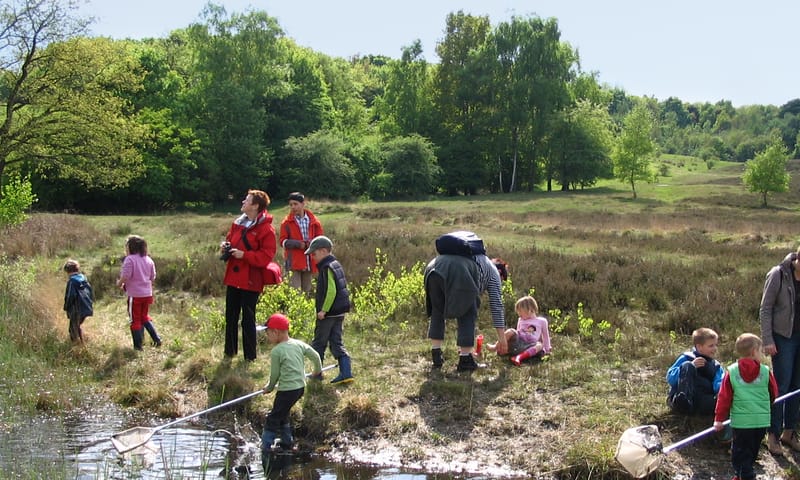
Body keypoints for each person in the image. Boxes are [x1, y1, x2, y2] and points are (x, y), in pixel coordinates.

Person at [424, 240, 508, 372]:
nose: (501, 282)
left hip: (433, 266)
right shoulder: (494, 273)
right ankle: (465, 360)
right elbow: (496, 306)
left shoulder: (476, 259)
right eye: (503, 279)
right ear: (500, 271)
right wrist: (502, 339)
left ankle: (436, 355)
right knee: (468, 311)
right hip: (458, 270)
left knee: (437, 310)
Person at [220, 189, 277, 361]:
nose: (243, 202)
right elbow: (230, 239)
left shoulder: (266, 229)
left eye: (247, 200)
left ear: (255, 206)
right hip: (233, 277)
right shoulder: (238, 223)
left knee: (248, 319)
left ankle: (250, 357)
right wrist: (225, 246)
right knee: (230, 316)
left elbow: (267, 256)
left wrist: (244, 255)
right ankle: (229, 352)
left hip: (251, 280)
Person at [260, 313, 322, 467]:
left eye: (268, 333)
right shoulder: (298, 344)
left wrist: (269, 387)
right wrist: (317, 371)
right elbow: (315, 356)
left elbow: (275, 375)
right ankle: (287, 442)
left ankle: (265, 447)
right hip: (300, 388)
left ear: (276, 332)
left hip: (286, 390)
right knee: (283, 413)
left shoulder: (277, 351)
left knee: (273, 417)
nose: (267, 337)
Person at [714, 333, 778, 480]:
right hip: (761, 421)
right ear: (754, 351)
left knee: (739, 451)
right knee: (752, 450)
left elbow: (724, 398)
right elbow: (774, 393)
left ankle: (746, 475)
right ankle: (743, 474)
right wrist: (765, 406)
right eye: (761, 351)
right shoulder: (765, 371)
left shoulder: (732, 372)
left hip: (741, 422)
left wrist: (719, 419)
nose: (762, 354)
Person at [759, 247, 800, 455]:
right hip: (783, 338)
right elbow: (765, 309)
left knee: (797, 385)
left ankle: (789, 432)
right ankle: (773, 434)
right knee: (781, 386)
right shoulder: (778, 274)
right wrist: (768, 339)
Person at [304, 235, 354, 384]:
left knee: (319, 343)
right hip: (339, 312)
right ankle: (346, 372)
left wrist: (323, 310)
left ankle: (317, 373)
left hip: (328, 314)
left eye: (314, 254)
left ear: (324, 251)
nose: (312, 257)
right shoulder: (335, 264)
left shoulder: (327, 267)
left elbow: (331, 291)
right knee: (336, 342)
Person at [117, 235, 162, 350]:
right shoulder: (148, 259)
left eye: (126, 246)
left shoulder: (129, 259)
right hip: (147, 294)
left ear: (131, 247)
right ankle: (157, 339)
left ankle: (138, 346)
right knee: (144, 317)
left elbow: (125, 276)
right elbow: (153, 277)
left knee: (135, 320)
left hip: (134, 295)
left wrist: (119, 283)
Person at [666, 327, 723, 416]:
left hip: (701, 399)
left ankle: (695, 409)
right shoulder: (686, 358)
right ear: (699, 347)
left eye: (716, 345)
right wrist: (692, 366)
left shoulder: (716, 366)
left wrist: (721, 391)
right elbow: (671, 379)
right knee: (687, 365)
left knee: (721, 402)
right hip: (681, 397)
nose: (715, 348)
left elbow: (719, 383)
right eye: (711, 346)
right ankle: (683, 401)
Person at [279, 192, 324, 294]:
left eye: (295, 204)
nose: (293, 207)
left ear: (303, 204)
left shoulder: (314, 221)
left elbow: (320, 239)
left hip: (309, 261)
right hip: (293, 262)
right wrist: (297, 244)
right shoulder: (286, 222)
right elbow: (282, 241)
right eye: (291, 205)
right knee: (295, 293)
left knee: (307, 292)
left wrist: (311, 243)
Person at [488, 295, 551, 365]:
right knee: (511, 331)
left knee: (539, 345)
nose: (518, 313)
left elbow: (545, 336)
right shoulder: (520, 319)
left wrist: (547, 349)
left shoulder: (542, 321)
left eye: (520, 311)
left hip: (530, 345)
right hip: (518, 342)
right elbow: (517, 331)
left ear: (530, 310)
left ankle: (519, 357)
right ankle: (496, 347)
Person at [63, 259, 93, 344]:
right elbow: (90, 292)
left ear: (68, 271)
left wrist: (66, 307)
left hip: (77, 309)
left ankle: (76, 346)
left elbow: (70, 296)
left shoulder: (72, 281)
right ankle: (82, 343)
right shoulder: (84, 279)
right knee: (77, 326)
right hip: (86, 307)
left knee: (72, 329)